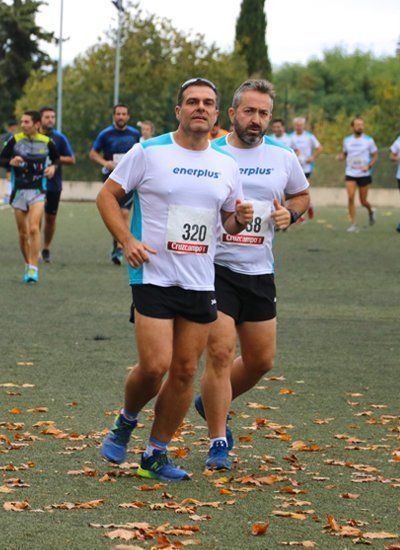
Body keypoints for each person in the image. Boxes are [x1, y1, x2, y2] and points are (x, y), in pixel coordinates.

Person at [96, 77, 252, 481]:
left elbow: (226, 223)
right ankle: (126, 420)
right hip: (153, 272)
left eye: (208, 103)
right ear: (178, 110)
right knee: (155, 365)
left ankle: (154, 454)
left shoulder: (226, 165)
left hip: (200, 280)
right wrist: (127, 239)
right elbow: (107, 196)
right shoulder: (148, 152)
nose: (200, 108)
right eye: (192, 102)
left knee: (184, 371)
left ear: (218, 114)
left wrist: (239, 220)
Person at [197, 79, 310, 470]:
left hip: (260, 270)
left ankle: (211, 400)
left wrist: (290, 214)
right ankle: (217, 441)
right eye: (249, 111)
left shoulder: (283, 156)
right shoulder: (209, 153)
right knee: (222, 353)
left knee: (261, 361)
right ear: (231, 114)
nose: (256, 120)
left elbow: (301, 195)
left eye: (263, 113)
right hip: (214, 267)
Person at [0, 110, 59, 283]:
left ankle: (33, 268)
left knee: (33, 228)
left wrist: (53, 167)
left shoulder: (47, 142)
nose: (22, 125)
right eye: (22, 122)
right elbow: (0, 160)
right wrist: (11, 162)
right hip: (18, 192)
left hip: (38, 190)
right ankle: (27, 263)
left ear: (36, 124)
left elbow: (56, 159)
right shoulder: (15, 140)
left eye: (26, 122)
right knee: (23, 233)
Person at [89, 104, 141, 264]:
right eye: (118, 114)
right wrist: (105, 163)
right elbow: (92, 153)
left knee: (124, 213)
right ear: (114, 116)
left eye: (124, 114)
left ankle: (119, 248)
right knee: (114, 213)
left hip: (129, 180)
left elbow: (141, 152)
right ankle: (117, 244)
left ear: (128, 116)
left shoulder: (134, 134)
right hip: (111, 180)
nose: (121, 117)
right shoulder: (105, 134)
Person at [39, 106, 75, 263]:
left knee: (50, 218)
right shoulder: (33, 137)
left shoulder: (59, 138)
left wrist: (54, 161)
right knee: (35, 216)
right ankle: (34, 248)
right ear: (39, 119)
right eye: (47, 117)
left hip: (54, 184)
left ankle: (46, 247)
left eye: (53, 117)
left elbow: (72, 159)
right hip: (35, 184)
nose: (50, 120)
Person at [338, 117, 378, 232]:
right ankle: (353, 224)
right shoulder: (347, 140)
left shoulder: (369, 140)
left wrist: (368, 166)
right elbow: (345, 153)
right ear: (352, 127)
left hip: (364, 173)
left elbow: (375, 155)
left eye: (362, 124)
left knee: (363, 201)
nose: (360, 126)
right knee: (350, 197)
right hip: (350, 172)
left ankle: (371, 211)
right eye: (357, 125)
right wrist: (341, 157)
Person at [288, 117, 321, 219]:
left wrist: (313, 157)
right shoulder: (290, 137)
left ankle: (304, 209)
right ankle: (300, 211)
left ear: (304, 126)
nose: (299, 127)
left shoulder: (309, 136)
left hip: (306, 168)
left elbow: (319, 147)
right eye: (297, 125)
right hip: (292, 168)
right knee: (291, 191)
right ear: (294, 126)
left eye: (300, 125)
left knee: (303, 190)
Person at [1, 119, 18, 204]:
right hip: (10, 159)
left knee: (14, 176)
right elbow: (5, 146)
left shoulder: (17, 135)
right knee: (9, 177)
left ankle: (12, 194)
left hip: (16, 158)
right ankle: (8, 195)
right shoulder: (8, 136)